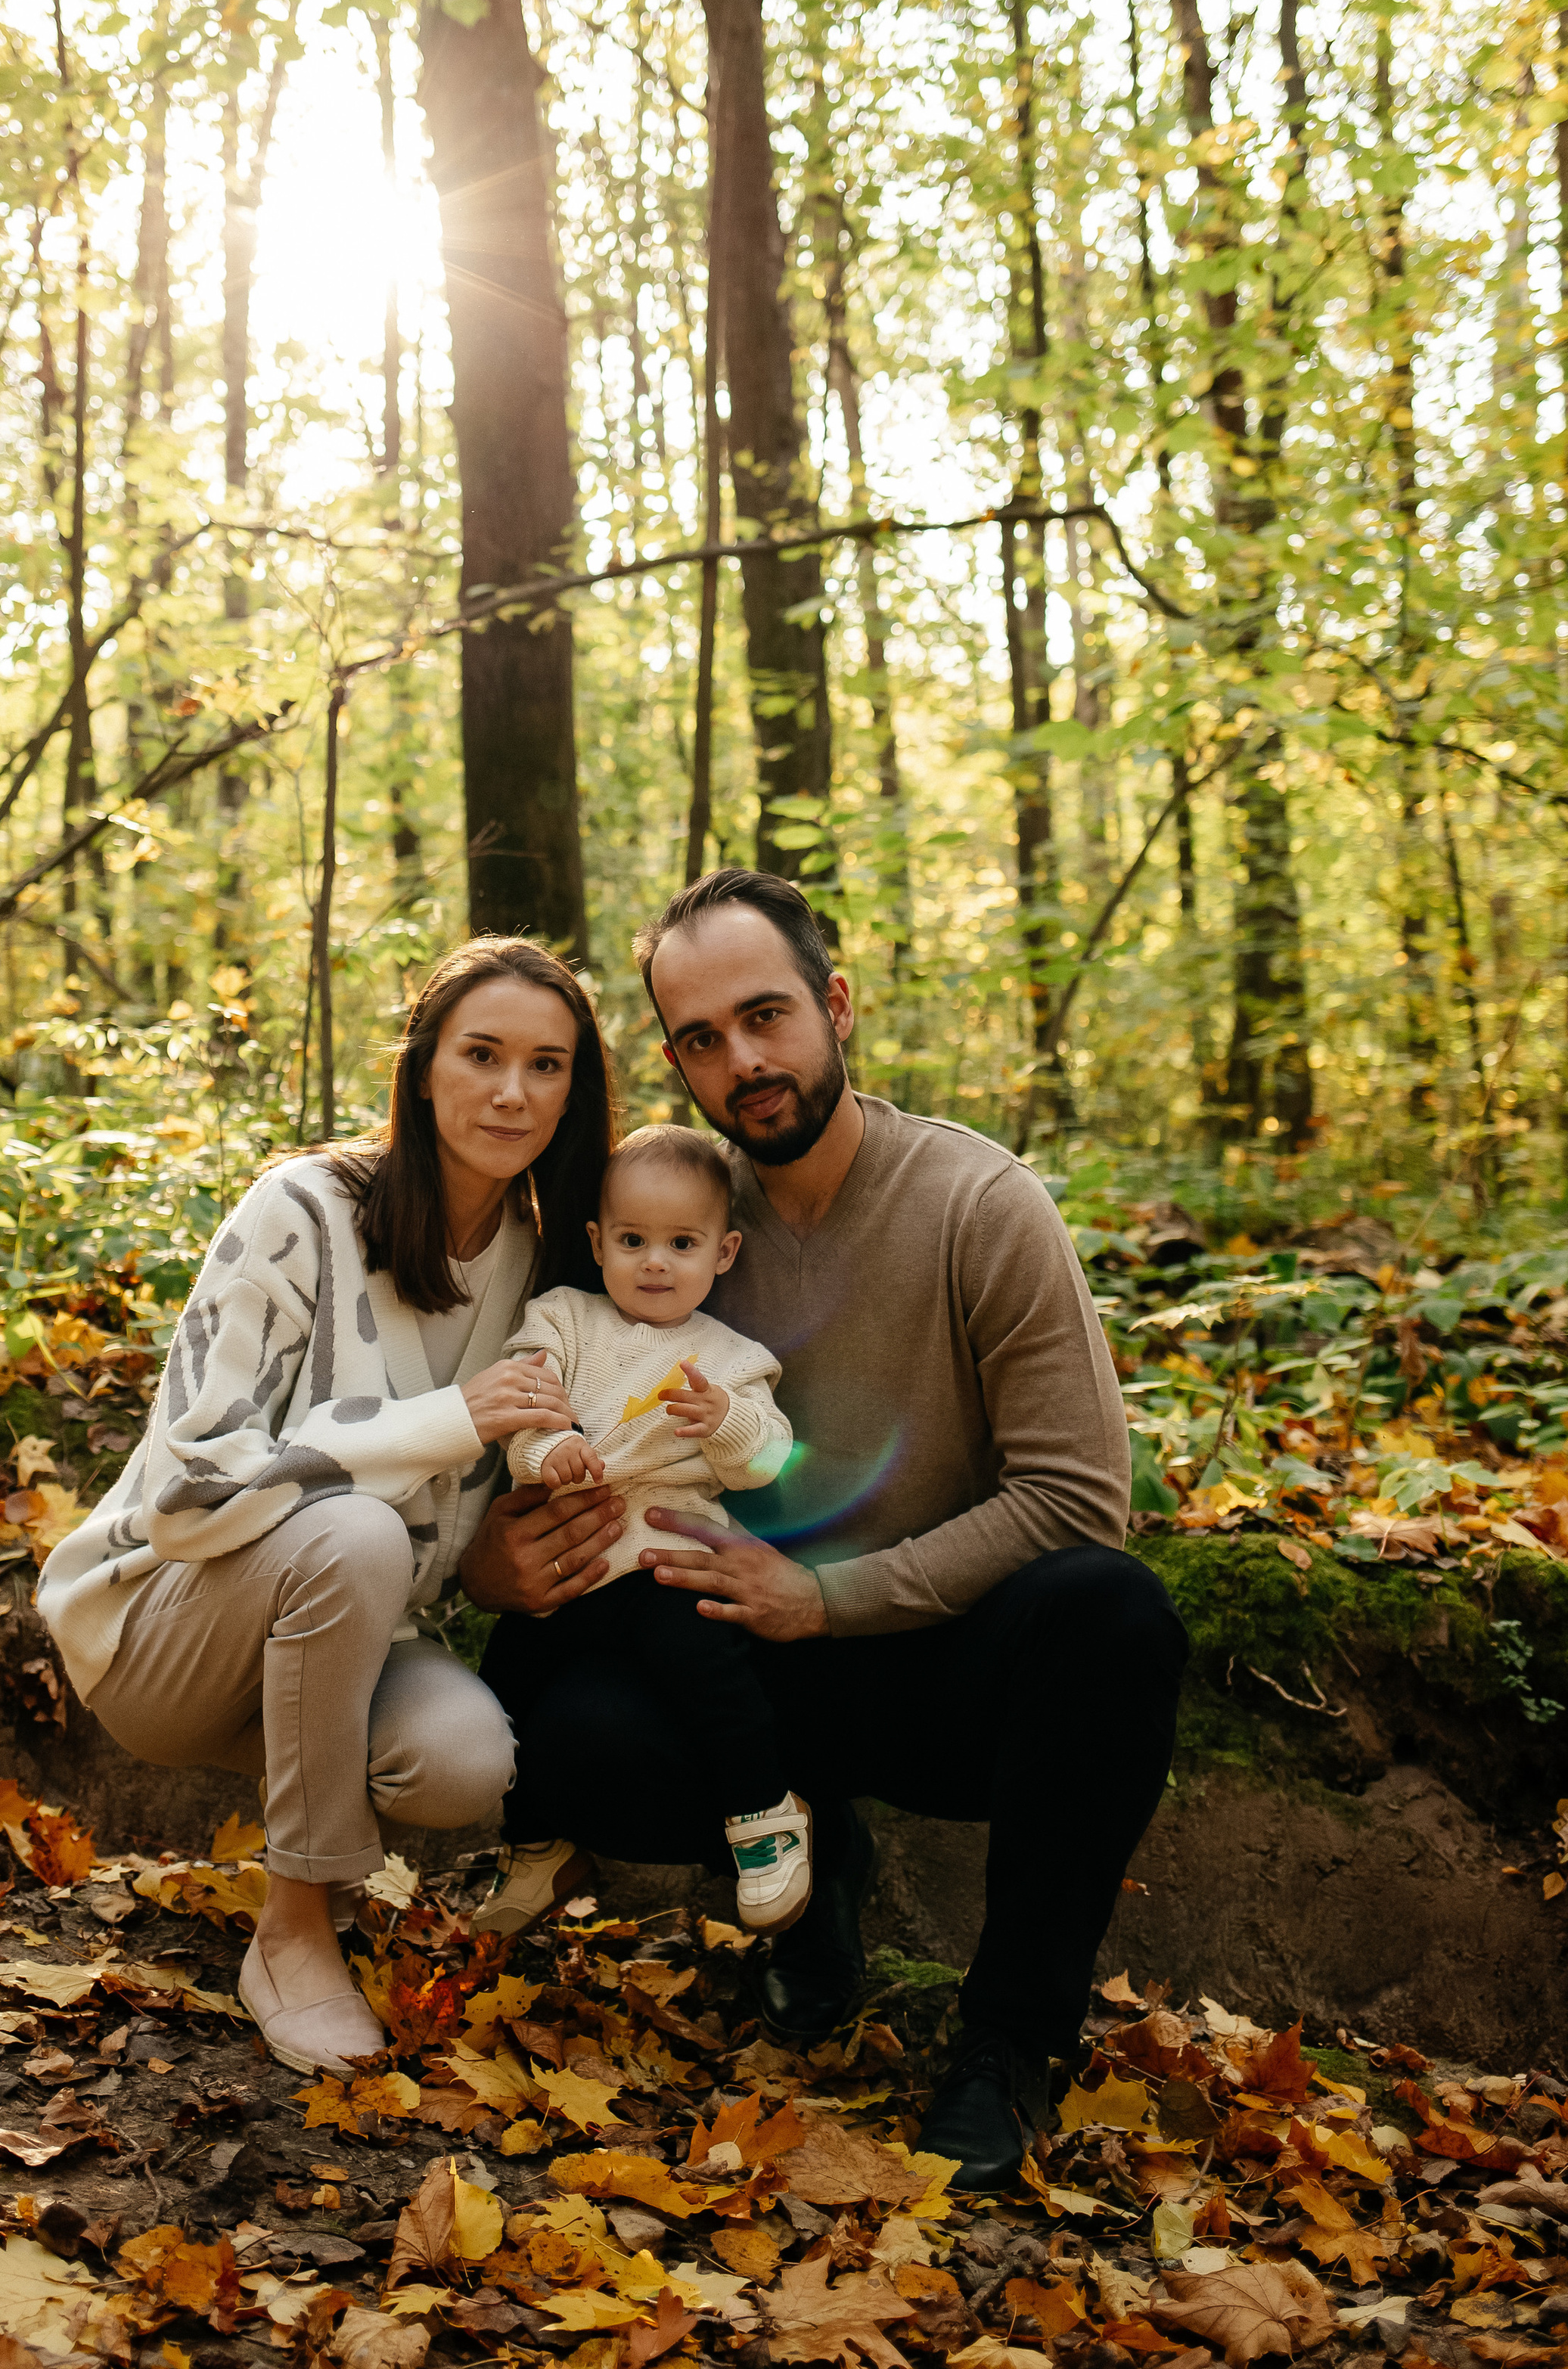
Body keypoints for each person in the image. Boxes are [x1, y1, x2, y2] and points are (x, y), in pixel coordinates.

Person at [466, 868, 1188, 2190]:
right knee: (547, 1721)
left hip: (942, 1653)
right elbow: (524, 1439)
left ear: (834, 1003)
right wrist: (486, 1560)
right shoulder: (668, 1220)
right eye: (699, 1037)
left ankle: (1009, 2039)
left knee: (1115, 1615)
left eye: (767, 1016)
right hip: (745, 1665)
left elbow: (1080, 1496)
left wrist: (832, 1595)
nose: (742, 1061)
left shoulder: (980, 1204)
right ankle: (818, 1868)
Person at [36, 935, 614, 2077]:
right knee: (349, 1531)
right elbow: (193, 1492)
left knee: (458, 1760)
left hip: (343, 1642)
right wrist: (449, 1417)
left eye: (547, 1065)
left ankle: (320, 1875)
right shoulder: (300, 1209)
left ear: (575, 1090)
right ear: (422, 1067)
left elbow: (430, 1557)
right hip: (164, 1628)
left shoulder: (545, 1269)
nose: (513, 1090)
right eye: (482, 1053)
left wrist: (487, 1568)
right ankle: (296, 1926)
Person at [476, 1125, 809, 1939]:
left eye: (681, 1242)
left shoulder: (731, 1359)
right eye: (632, 1240)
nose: (654, 1261)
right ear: (597, 1242)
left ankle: (763, 1814)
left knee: (712, 1670)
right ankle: (533, 1845)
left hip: (670, 1558)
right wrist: (549, 1447)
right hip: (570, 1567)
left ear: (723, 1252)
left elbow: (768, 1458)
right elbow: (524, 1404)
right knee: (508, 1673)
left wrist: (726, 1422)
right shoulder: (562, 1320)